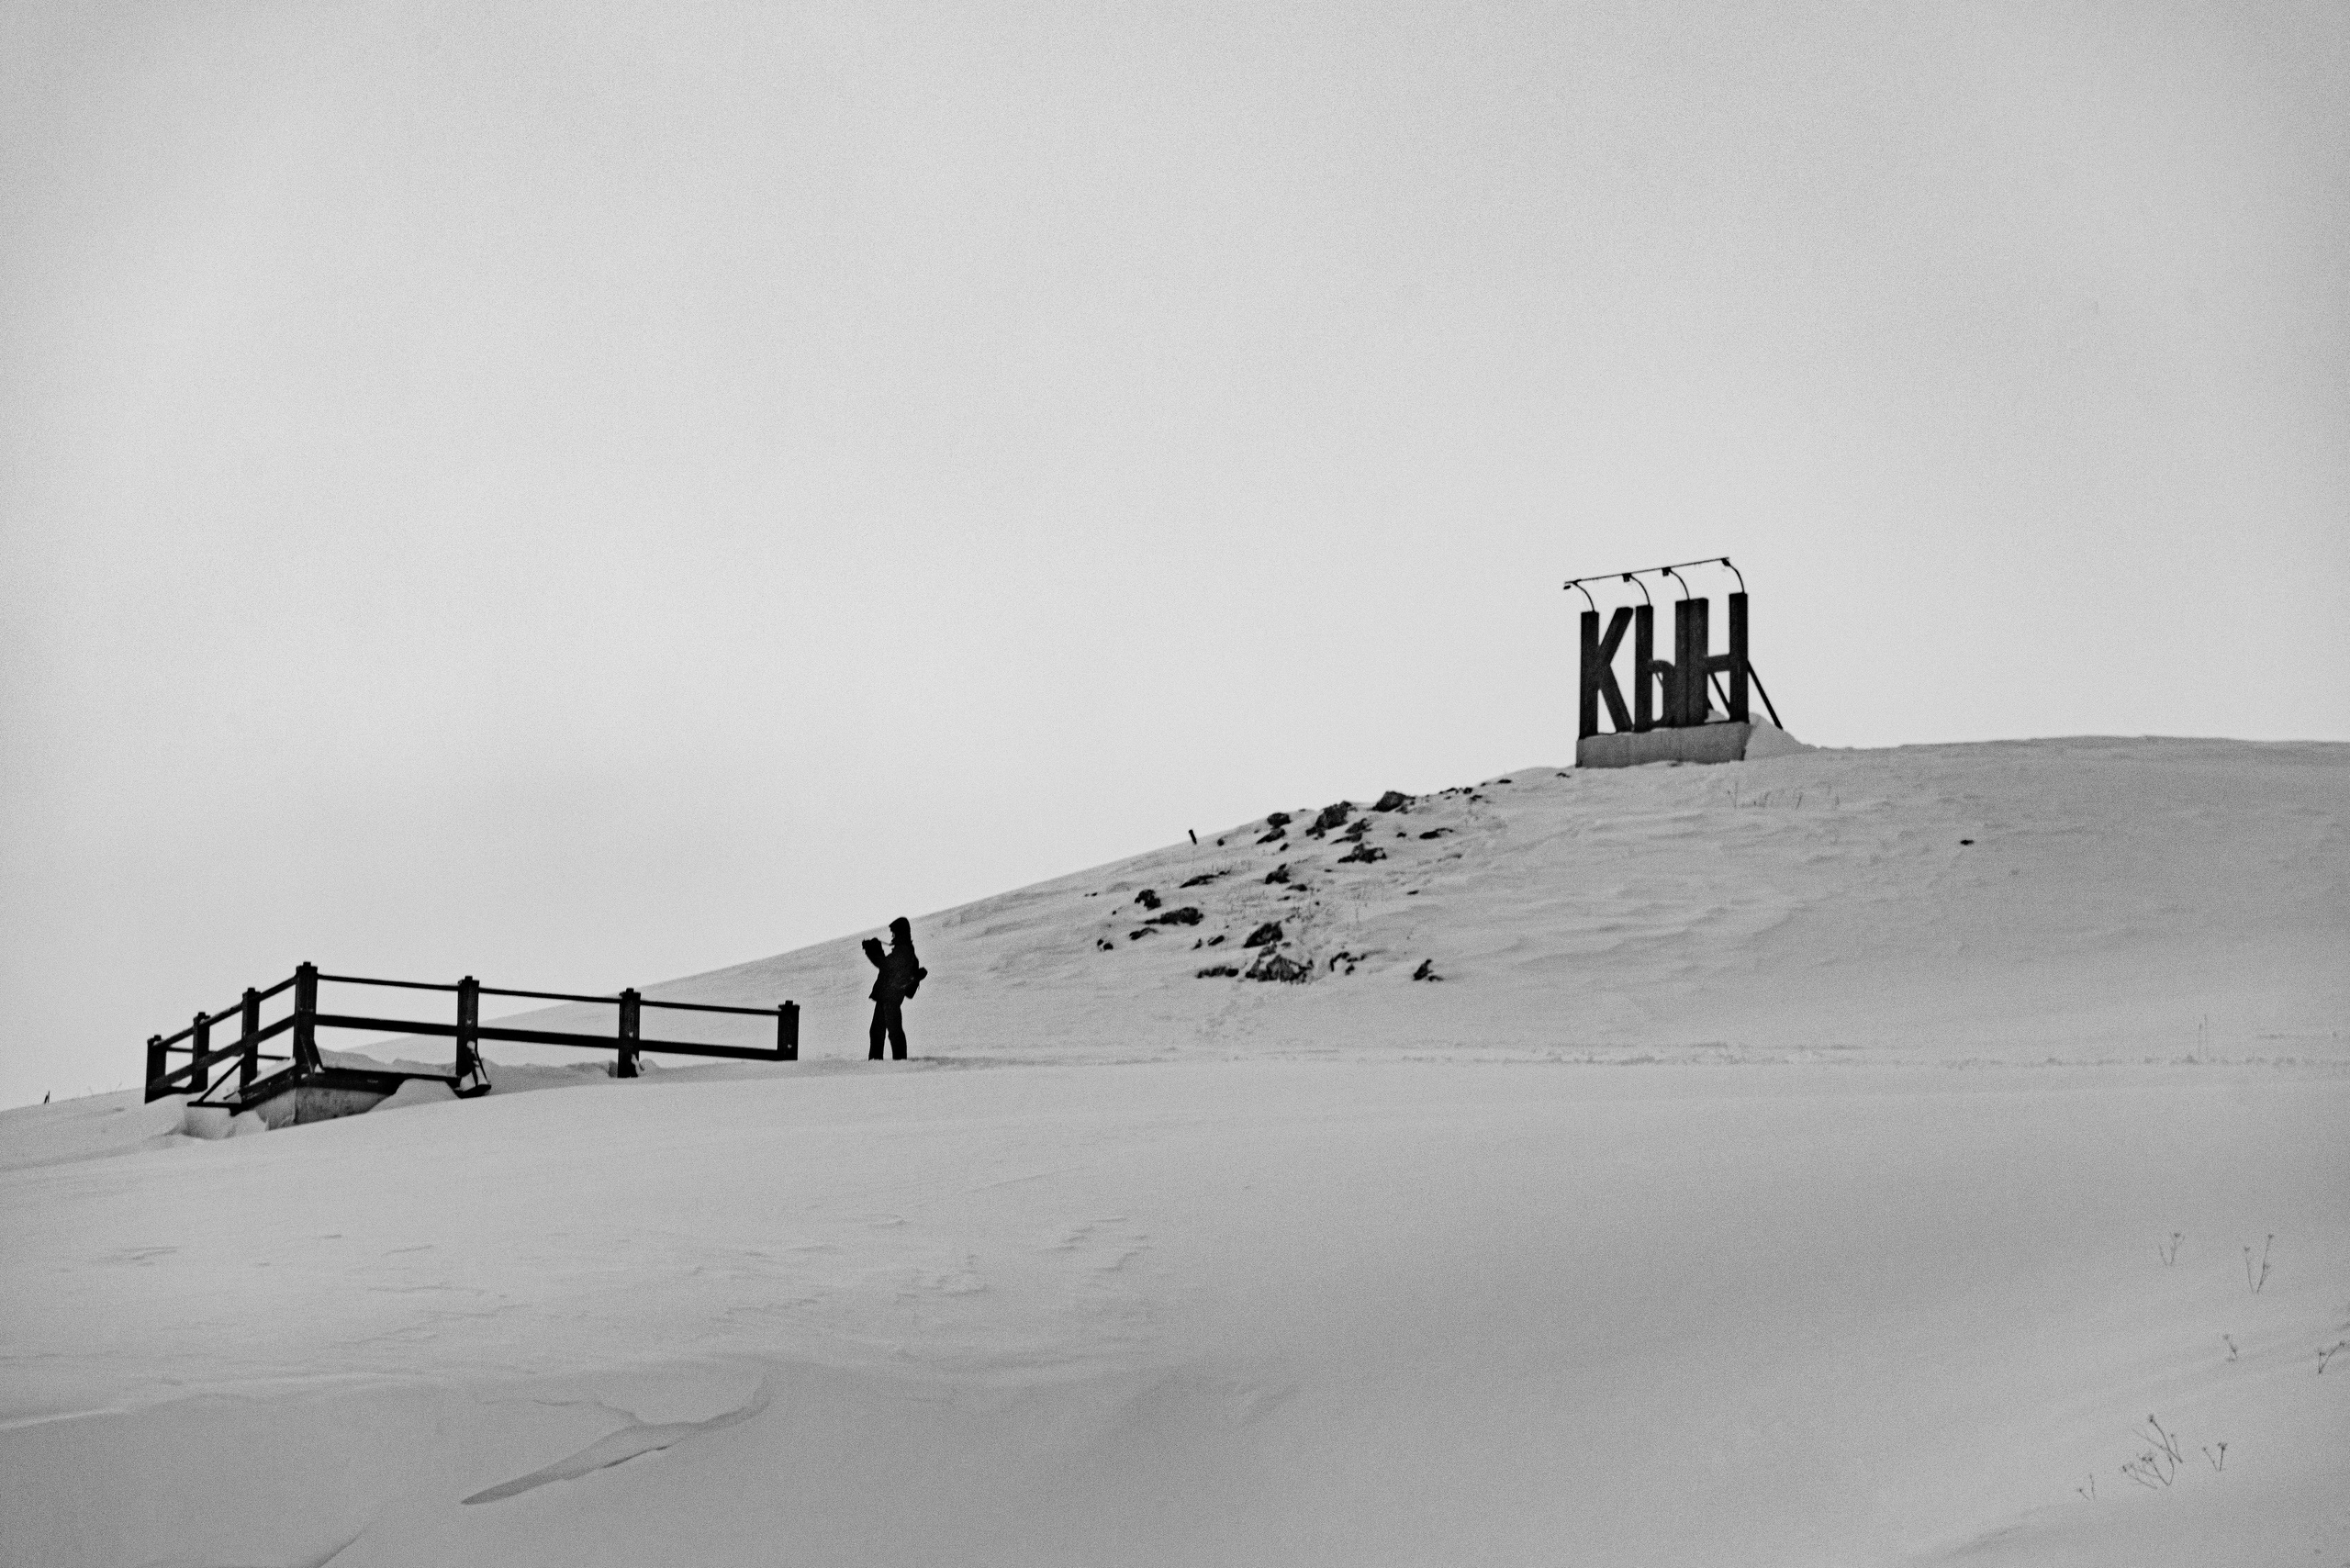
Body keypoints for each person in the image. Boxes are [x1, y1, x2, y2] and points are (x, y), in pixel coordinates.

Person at [863, 917, 925, 1060]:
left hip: (890, 996)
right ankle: (879, 1061)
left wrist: (872, 951)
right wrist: (875, 951)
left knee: (891, 1032)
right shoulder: (904, 950)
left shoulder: (903, 951)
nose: (892, 936)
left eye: (894, 933)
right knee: (879, 1032)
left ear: (900, 933)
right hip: (888, 996)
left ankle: (897, 1062)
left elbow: (885, 965)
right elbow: (886, 965)